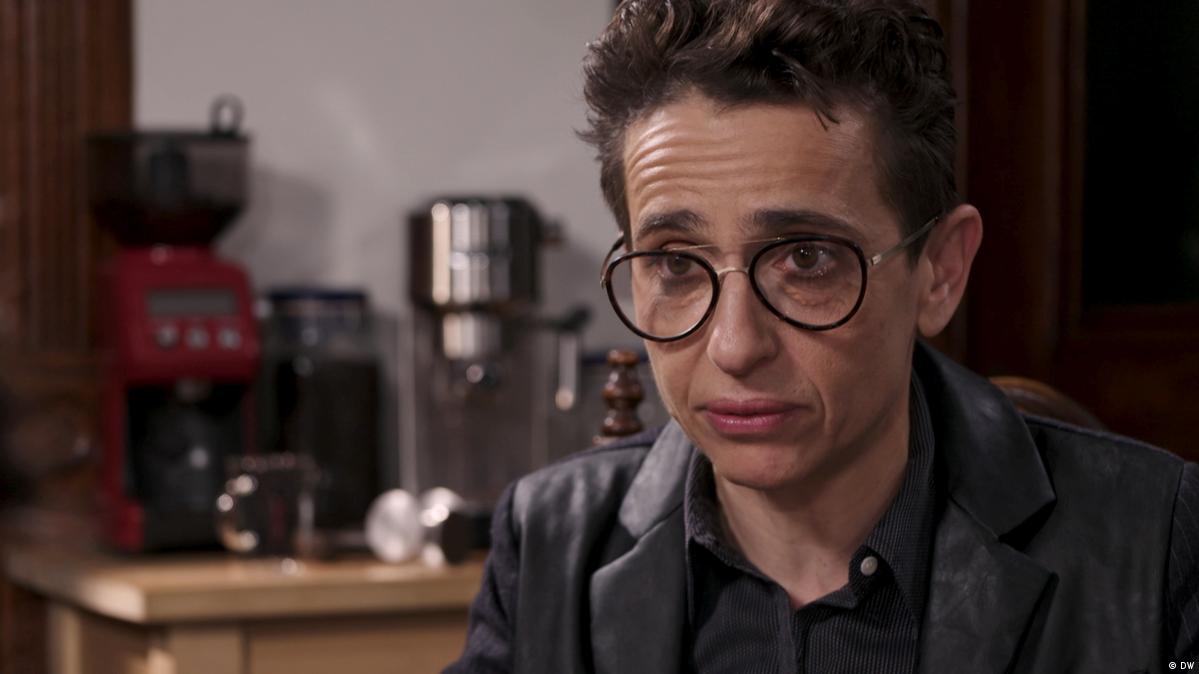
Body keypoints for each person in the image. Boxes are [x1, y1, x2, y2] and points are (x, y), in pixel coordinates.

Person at [446, 1, 1199, 671]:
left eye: (806, 259)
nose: (734, 346)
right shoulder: (547, 545)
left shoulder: (1158, 541)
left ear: (939, 272)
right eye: (675, 263)